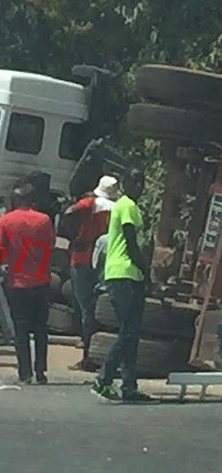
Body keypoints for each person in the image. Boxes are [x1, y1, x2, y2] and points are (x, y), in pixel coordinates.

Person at [92, 168, 154, 402]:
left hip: (130, 275)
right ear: (125, 184)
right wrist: (146, 271)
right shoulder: (126, 205)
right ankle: (104, 379)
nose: (138, 186)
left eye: (141, 181)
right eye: (134, 181)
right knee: (128, 332)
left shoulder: (132, 206)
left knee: (132, 333)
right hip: (124, 273)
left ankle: (129, 386)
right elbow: (130, 242)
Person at [0, 183, 56, 384]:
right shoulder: (44, 220)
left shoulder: (6, 220)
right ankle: (41, 371)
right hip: (42, 282)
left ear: (15, 200)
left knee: (21, 329)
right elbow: (51, 245)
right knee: (40, 329)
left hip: (18, 283)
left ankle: (25, 373)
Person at [63, 176, 119, 372]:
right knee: (100, 309)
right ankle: (98, 353)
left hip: (83, 258)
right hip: (106, 261)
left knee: (87, 310)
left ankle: (88, 357)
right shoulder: (118, 207)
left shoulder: (91, 203)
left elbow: (69, 212)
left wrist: (74, 236)